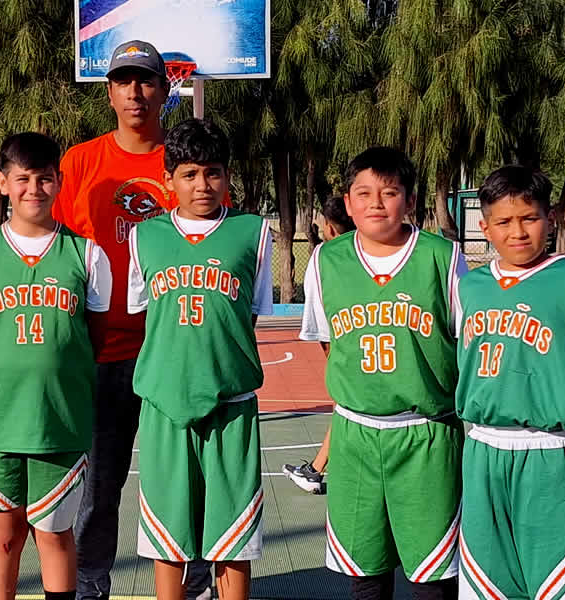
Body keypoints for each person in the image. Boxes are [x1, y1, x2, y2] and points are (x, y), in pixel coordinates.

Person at [53, 39, 214, 600]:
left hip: (173, 350)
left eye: (146, 81)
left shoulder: (183, 164)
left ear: (165, 90)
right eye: (124, 80)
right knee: (100, 483)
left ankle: (194, 582)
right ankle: (91, 581)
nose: (136, 92)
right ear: (109, 92)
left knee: (182, 479)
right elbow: (55, 250)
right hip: (102, 351)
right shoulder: (80, 163)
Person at [298, 147, 467, 600]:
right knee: (364, 572)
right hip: (355, 436)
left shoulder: (442, 258)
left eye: (389, 192)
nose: (376, 203)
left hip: (426, 433)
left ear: (409, 201)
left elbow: (464, 339)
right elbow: (329, 341)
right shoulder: (326, 260)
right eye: (364, 193)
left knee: (433, 575)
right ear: (348, 202)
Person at [0, 133, 112, 600]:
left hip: (58, 423)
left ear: (59, 183)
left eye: (44, 179)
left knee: (55, 534)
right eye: (22, 179)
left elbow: (93, 338)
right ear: (3, 183)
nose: (33, 190)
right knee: (4, 535)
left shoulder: (87, 255)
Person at [127, 118, 272, 600]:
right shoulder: (144, 237)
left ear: (228, 176)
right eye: (189, 174)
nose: (202, 184)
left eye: (213, 172)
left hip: (231, 404)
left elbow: (250, 313)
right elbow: (143, 312)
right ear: (168, 180)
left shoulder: (253, 231)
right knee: (167, 536)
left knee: (234, 537)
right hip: (164, 403)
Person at [453, 166, 565, 600]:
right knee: (485, 578)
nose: (517, 231)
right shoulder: (472, 286)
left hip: (550, 450)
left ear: (550, 217)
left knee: (552, 581)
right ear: (484, 226)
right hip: (483, 446)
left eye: (529, 218)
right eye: (503, 221)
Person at [282, 194, 357, 495]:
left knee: (348, 404)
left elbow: (318, 312)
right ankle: (316, 467)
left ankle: (316, 469)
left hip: (341, 340)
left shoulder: (324, 257)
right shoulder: (378, 253)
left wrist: (328, 350)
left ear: (329, 228)